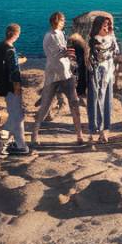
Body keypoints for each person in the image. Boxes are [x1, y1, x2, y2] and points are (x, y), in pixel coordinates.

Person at [32, 11, 85, 146]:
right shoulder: (49, 36)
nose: (64, 23)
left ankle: (79, 134)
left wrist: (69, 54)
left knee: (74, 102)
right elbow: (55, 54)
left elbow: (63, 51)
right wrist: (69, 52)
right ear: (57, 21)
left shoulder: (61, 34)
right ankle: (35, 134)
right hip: (53, 74)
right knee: (46, 104)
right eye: (62, 21)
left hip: (66, 73)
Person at [0, 23, 28, 155]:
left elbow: (4, 63)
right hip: (11, 87)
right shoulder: (11, 51)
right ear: (15, 34)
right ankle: (21, 145)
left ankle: (9, 137)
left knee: (12, 113)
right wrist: (17, 87)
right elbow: (14, 71)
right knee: (18, 115)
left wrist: (19, 60)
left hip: (2, 85)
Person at [85, 14, 119, 145]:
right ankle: (93, 131)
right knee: (94, 102)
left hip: (108, 74)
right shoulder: (92, 40)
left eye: (108, 25)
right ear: (98, 26)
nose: (107, 28)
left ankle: (105, 131)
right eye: (105, 26)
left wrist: (112, 36)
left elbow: (116, 52)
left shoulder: (111, 38)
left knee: (107, 102)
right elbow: (91, 58)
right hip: (96, 74)